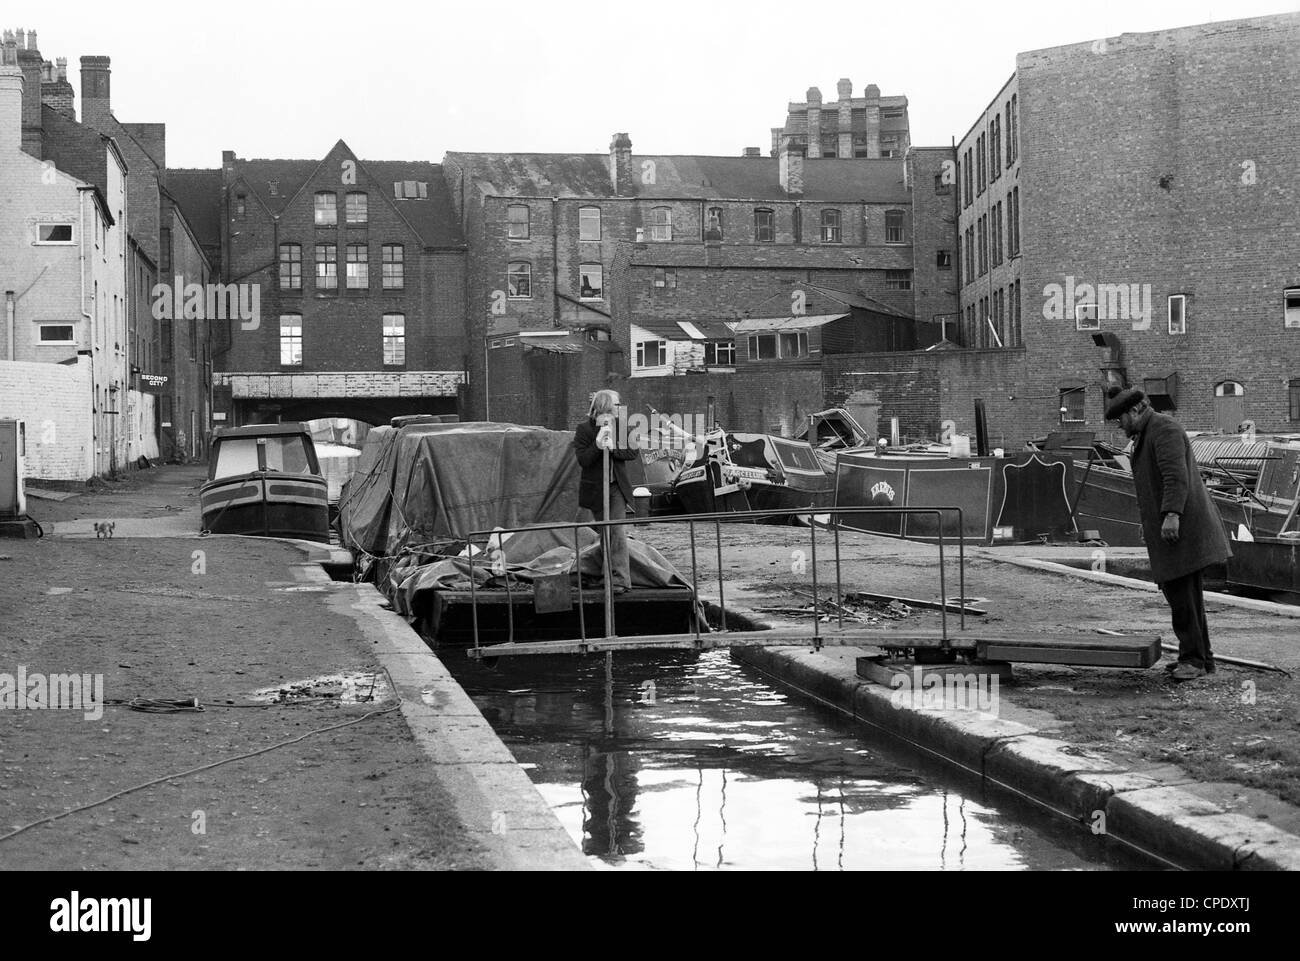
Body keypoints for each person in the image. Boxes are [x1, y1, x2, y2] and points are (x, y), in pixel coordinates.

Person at [1106, 387, 1231, 681]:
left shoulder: (1163, 429)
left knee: (1182, 597)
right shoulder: (1151, 432)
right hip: (1173, 527)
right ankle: (1202, 659)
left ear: (1136, 410)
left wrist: (1172, 516)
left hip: (1182, 529)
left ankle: (1194, 660)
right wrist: (1152, 520)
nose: (1119, 426)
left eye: (1120, 419)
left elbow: (1175, 476)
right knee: (1187, 596)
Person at [573, 390, 637, 594]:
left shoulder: (621, 428)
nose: (619, 408)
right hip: (595, 489)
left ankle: (619, 579)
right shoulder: (584, 430)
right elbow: (583, 459)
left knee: (615, 531)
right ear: (605, 407)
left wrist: (614, 448)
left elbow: (632, 452)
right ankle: (600, 573)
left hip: (616, 488)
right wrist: (598, 444)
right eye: (616, 405)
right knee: (604, 533)